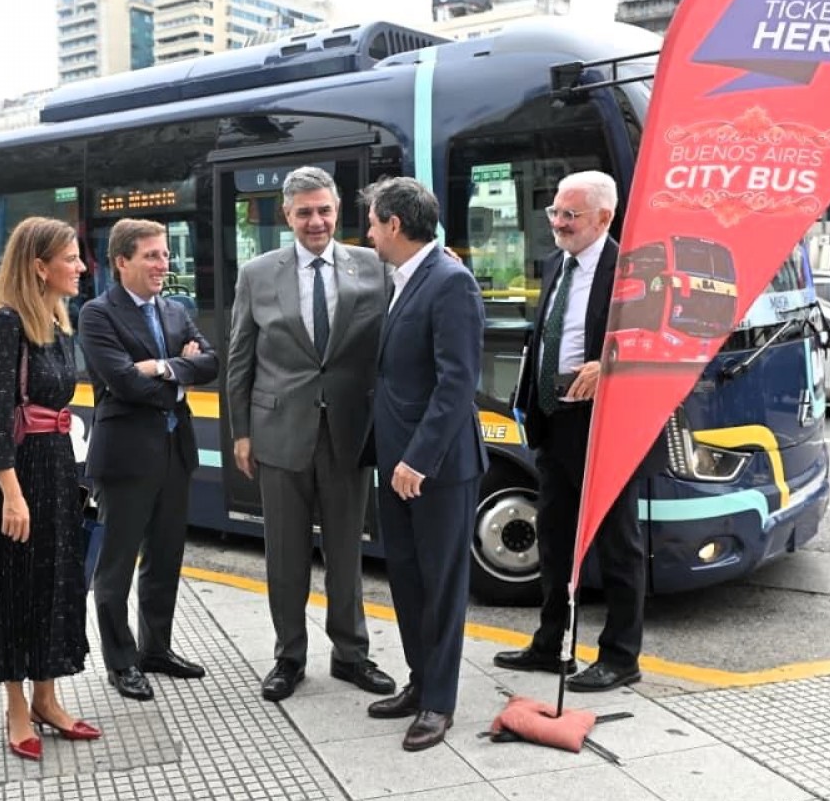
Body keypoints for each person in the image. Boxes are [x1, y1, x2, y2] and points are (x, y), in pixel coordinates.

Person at [225, 166, 396, 702]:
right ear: (287, 215)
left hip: (348, 431)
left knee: (346, 554)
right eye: (304, 212)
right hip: (278, 432)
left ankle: (351, 655)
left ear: (337, 209)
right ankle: (288, 656)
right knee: (285, 555)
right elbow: (239, 357)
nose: (315, 221)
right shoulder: (257, 273)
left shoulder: (373, 265)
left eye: (324, 210)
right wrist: (241, 433)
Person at [496, 170, 667, 694]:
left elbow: (659, 342)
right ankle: (552, 644)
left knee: (618, 547)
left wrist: (608, 365)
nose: (559, 224)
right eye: (555, 213)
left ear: (604, 217)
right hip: (556, 421)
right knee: (553, 540)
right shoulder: (557, 264)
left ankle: (620, 656)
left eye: (571, 215)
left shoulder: (636, 269)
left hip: (607, 430)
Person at [0, 216, 100, 761]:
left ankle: (47, 699)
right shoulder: (7, 322)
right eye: (71, 258)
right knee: (10, 586)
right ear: (39, 266)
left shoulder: (56, 322)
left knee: (54, 582)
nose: (82, 266)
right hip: (14, 478)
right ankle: (17, 709)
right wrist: (12, 493)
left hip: (55, 469)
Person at [359, 177, 487, 752]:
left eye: (370, 222)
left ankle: (440, 702)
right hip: (396, 461)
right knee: (407, 581)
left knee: (440, 586)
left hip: (434, 467)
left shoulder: (450, 282)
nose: (366, 233)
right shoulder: (406, 278)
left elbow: (457, 382)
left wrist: (417, 458)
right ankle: (420, 681)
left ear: (393, 224)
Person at [78, 218, 219, 701]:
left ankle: (155, 648)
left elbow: (213, 362)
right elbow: (123, 383)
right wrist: (183, 373)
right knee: (115, 568)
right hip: (125, 459)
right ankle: (121, 662)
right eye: (153, 256)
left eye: (165, 255)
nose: (165, 264)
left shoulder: (176, 310)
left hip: (175, 453)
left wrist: (163, 367)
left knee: (165, 558)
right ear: (122, 261)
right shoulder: (98, 315)